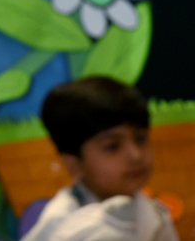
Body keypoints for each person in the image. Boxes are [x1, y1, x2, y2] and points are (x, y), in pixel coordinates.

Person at [21, 77, 178, 241]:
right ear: (74, 164)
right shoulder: (62, 230)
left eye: (140, 139)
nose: (136, 155)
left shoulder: (152, 211)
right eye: (113, 146)